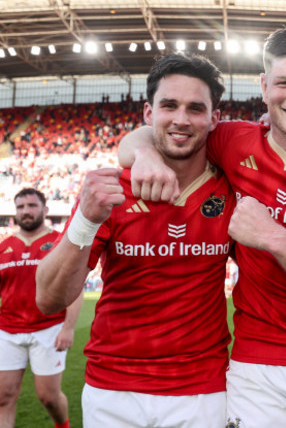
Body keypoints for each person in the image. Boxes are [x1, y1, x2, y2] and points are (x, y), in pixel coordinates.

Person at [118, 26, 286, 427]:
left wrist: (271, 236)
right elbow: (159, 132)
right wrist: (143, 154)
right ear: (264, 86)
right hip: (258, 364)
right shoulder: (233, 140)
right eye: (284, 83)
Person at [35, 52, 235, 427]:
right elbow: (48, 300)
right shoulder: (110, 190)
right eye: (169, 105)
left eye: (195, 108)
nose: (180, 119)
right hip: (113, 390)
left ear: (214, 119)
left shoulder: (232, 188)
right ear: (148, 114)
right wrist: (84, 219)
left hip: (201, 391)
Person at [0, 188, 82, 428]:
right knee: (3, 398)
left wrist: (68, 328)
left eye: (32, 206)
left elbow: (74, 288)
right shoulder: (4, 247)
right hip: (8, 330)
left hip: (49, 329)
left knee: (49, 398)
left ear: (45, 210)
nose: (26, 211)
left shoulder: (59, 242)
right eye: (21, 207)